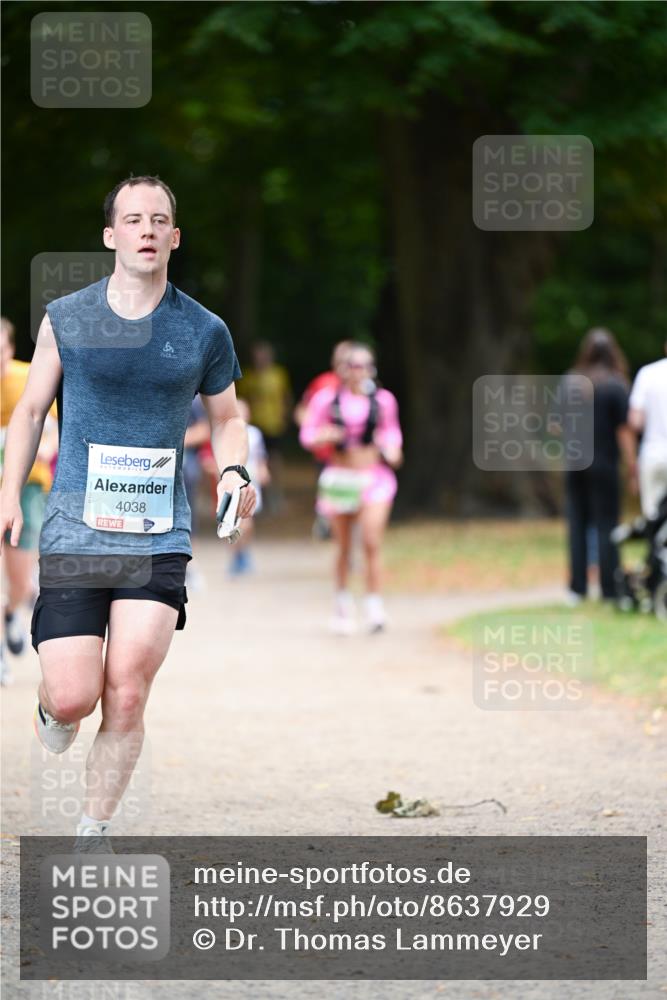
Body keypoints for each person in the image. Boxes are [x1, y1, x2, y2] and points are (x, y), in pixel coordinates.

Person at [0, 175, 256, 848]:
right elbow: (29, 411)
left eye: (160, 220)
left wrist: (235, 469)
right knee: (73, 696)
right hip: (75, 531)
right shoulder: (69, 316)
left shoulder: (204, 329)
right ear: (112, 235)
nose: (147, 229)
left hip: (157, 534)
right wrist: (7, 494)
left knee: (129, 689)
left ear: (174, 237)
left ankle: (94, 829)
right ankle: (52, 711)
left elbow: (229, 419)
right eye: (133, 219)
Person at [299, 342, 402, 633]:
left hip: (374, 478)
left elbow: (391, 432)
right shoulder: (326, 400)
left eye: (363, 365)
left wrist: (392, 448)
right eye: (352, 365)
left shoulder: (383, 401)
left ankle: (374, 605)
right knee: (344, 546)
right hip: (341, 477)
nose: (357, 371)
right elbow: (308, 434)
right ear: (343, 369)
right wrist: (324, 436)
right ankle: (343, 605)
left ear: (371, 368)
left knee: (371, 541)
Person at [1, 317, 58, 681]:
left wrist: (36, 450)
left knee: (21, 581)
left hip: (26, 490)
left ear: (10, 349)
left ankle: (11, 613)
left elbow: (51, 435)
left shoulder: (28, 379)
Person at [564, 328, 634, 603]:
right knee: (607, 525)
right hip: (603, 463)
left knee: (577, 524)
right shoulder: (615, 385)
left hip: (574, 462)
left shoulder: (571, 382)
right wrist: (632, 465)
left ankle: (577, 589)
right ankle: (609, 589)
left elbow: (557, 424)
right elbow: (624, 430)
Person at [238, 341, 291, 511]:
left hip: (273, 424)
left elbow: (285, 396)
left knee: (274, 460)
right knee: (253, 459)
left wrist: (284, 416)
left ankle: (276, 494)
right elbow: (242, 398)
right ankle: (255, 495)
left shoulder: (278, 374)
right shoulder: (248, 376)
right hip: (255, 423)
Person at [628, 340, 667, 520]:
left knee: (652, 515)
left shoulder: (647, 373)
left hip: (653, 453)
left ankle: (656, 547)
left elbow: (635, 421)